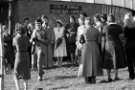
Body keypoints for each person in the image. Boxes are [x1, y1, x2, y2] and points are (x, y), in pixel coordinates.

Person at [102, 14, 127, 82]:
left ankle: (109, 77)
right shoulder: (119, 27)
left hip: (108, 45)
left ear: (108, 20)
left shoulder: (105, 27)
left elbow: (103, 37)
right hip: (116, 44)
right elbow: (122, 37)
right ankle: (116, 76)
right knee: (115, 60)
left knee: (108, 61)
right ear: (114, 19)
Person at [81, 17, 102, 84]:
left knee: (86, 62)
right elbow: (99, 41)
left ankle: (87, 79)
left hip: (86, 46)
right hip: (94, 46)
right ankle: (93, 79)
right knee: (94, 63)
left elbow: (81, 40)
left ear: (86, 23)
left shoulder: (84, 30)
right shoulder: (96, 30)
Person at [13, 25, 31, 90]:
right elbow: (29, 45)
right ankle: (26, 88)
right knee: (25, 73)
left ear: (17, 31)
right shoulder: (26, 37)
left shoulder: (15, 38)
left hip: (19, 55)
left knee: (16, 73)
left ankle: (18, 89)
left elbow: (14, 45)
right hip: (26, 55)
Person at [124, 13, 135, 79]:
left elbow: (124, 37)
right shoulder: (134, 25)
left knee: (129, 61)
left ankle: (131, 75)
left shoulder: (125, 27)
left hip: (128, 44)